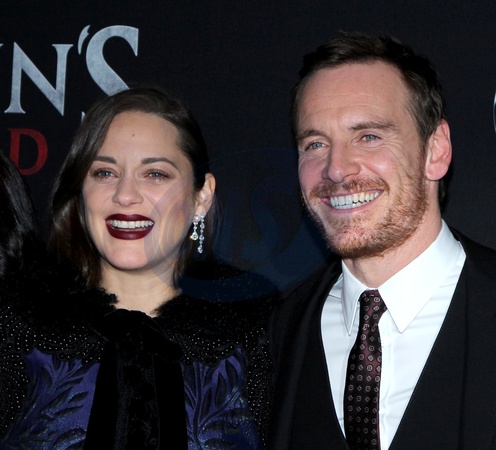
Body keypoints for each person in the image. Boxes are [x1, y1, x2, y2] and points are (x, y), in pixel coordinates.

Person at [0, 86, 274, 449]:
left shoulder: (262, 331)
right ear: (80, 192)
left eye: (155, 174)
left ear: (201, 196)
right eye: (104, 173)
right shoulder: (19, 325)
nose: (125, 195)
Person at [268, 33, 496, 450]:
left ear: (435, 150)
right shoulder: (280, 328)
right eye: (315, 144)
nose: (336, 169)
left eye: (368, 136)